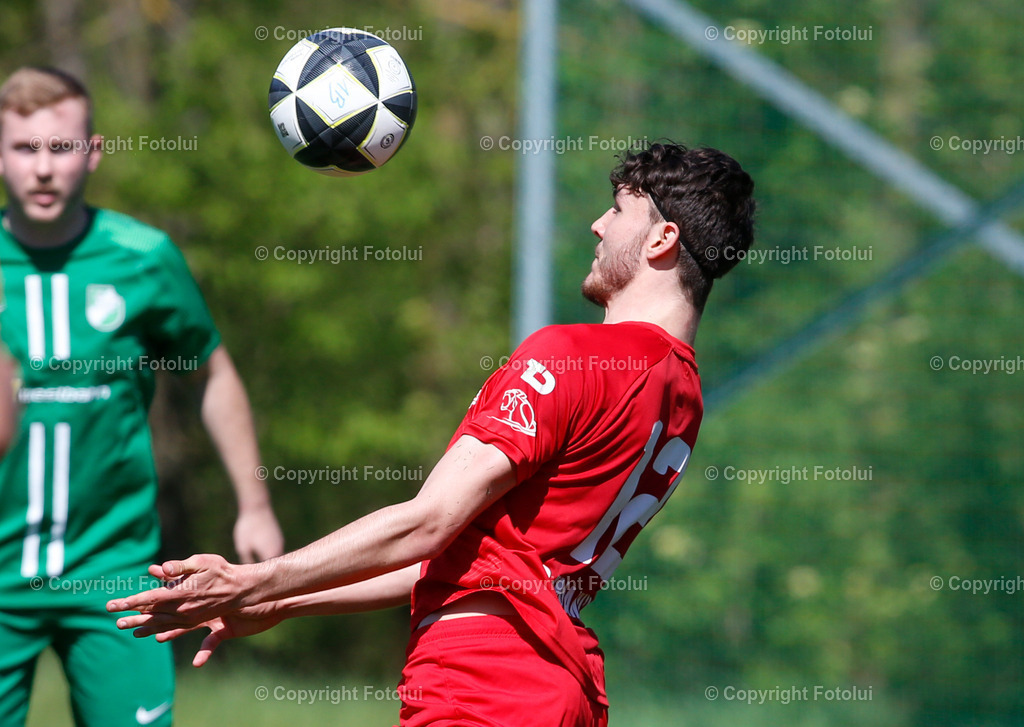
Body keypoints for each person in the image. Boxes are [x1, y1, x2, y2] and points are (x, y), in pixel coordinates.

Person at [110, 141, 756, 726]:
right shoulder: (682, 397)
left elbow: (426, 521)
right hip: (560, 686)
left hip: (481, 686)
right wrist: (288, 601)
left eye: (618, 209)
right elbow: (455, 558)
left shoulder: (573, 354)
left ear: (661, 238)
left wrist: (258, 578)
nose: (597, 223)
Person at [0, 66, 285, 727]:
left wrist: (255, 503)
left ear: (93, 152)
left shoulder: (142, 257)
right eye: (24, 148)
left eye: (62, 148)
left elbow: (212, 374)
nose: (44, 168)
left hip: (115, 568)